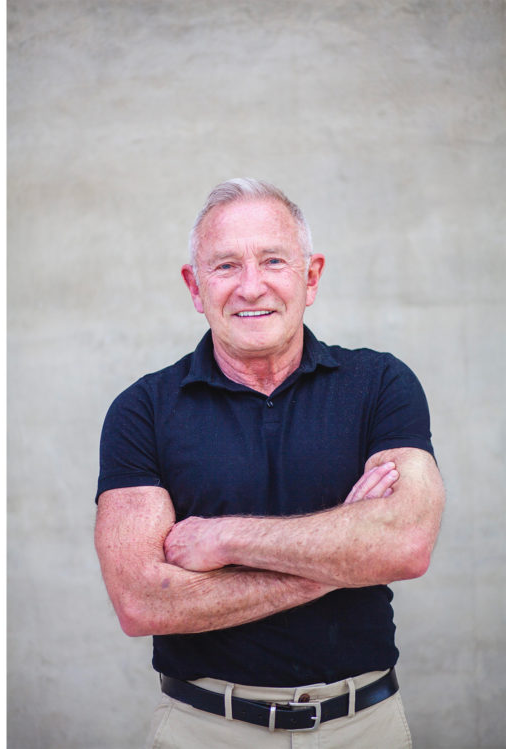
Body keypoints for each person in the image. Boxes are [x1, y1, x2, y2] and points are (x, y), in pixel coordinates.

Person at [95, 178, 445, 747]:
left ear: (311, 277)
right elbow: (142, 601)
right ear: (194, 285)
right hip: (205, 729)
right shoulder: (143, 411)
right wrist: (342, 558)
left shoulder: (380, 384)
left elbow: (405, 543)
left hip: (366, 726)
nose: (251, 287)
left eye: (274, 260)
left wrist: (225, 540)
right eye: (226, 266)